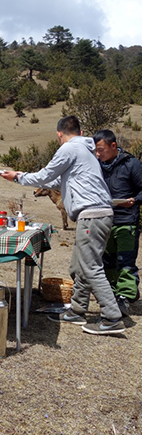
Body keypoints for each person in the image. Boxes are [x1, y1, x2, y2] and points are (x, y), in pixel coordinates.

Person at [0, 115, 125, 335]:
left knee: (91, 267)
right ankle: (77, 310)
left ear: (60, 134)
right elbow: (57, 181)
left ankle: (112, 317)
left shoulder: (69, 149)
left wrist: (18, 177)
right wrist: (21, 175)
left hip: (92, 215)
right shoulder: (86, 150)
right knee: (79, 266)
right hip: (96, 214)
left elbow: (46, 174)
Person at [93, 129, 142, 316]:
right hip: (104, 220)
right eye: (96, 151)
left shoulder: (131, 164)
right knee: (107, 262)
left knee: (125, 261)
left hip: (126, 221)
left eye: (101, 150)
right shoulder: (97, 165)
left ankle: (125, 296)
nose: (98, 154)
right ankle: (112, 294)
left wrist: (134, 201)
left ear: (113, 146)